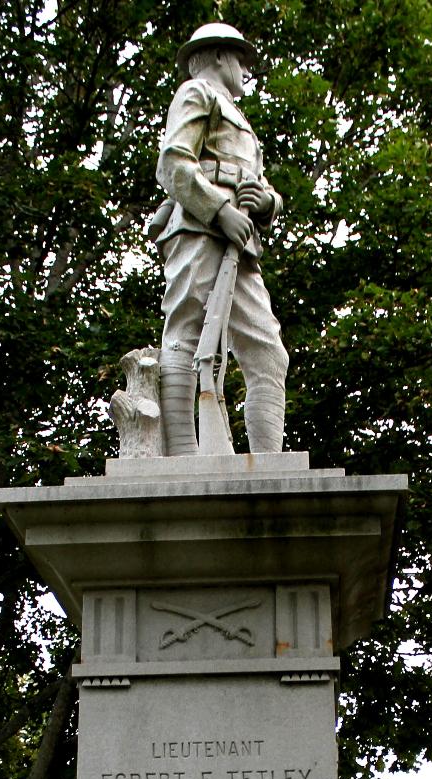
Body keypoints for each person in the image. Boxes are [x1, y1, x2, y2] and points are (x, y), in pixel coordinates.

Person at [152, 23, 288, 456]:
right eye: (239, 58)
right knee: (186, 334)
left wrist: (267, 203)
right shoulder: (196, 93)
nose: (245, 68)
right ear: (215, 57)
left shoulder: (242, 122)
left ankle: (269, 469)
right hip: (198, 228)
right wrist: (219, 210)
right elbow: (173, 164)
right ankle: (182, 455)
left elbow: (264, 185)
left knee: (268, 352)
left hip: (242, 243)